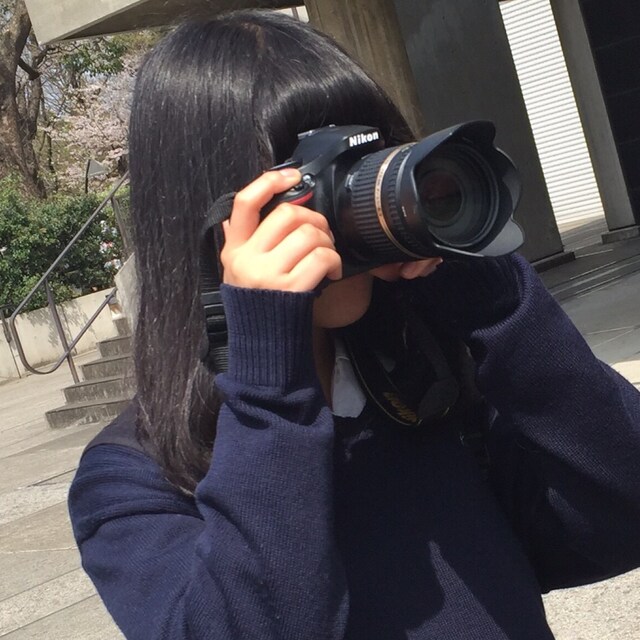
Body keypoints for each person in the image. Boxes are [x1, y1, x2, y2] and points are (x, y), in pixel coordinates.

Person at [68, 10, 640, 640]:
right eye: (316, 179)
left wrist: (497, 300)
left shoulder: (428, 382)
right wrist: (267, 385)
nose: (359, 203)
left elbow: (621, 513)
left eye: (368, 161)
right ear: (211, 220)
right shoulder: (133, 479)